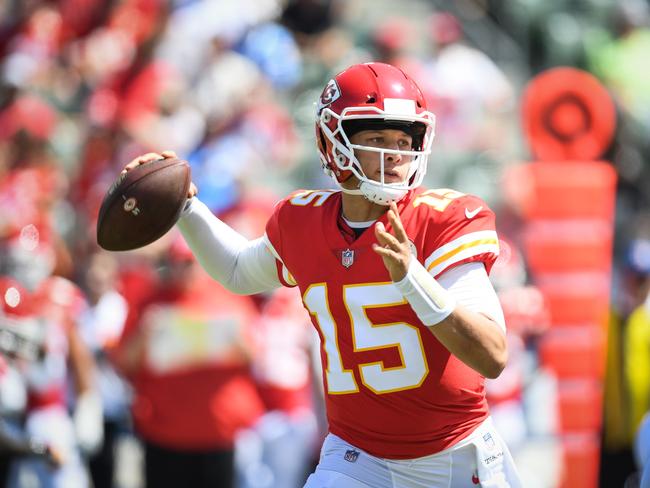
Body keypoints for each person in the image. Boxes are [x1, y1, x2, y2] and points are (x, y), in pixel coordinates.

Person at [122, 62, 521, 487]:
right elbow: (238, 270)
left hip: (454, 457)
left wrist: (412, 279)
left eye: (405, 140)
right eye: (377, 138)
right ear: (334, 141)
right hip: (358, 456)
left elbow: (492, 355)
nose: (396, 154)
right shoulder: (304, 221)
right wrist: (185, 207)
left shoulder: (443, 219)